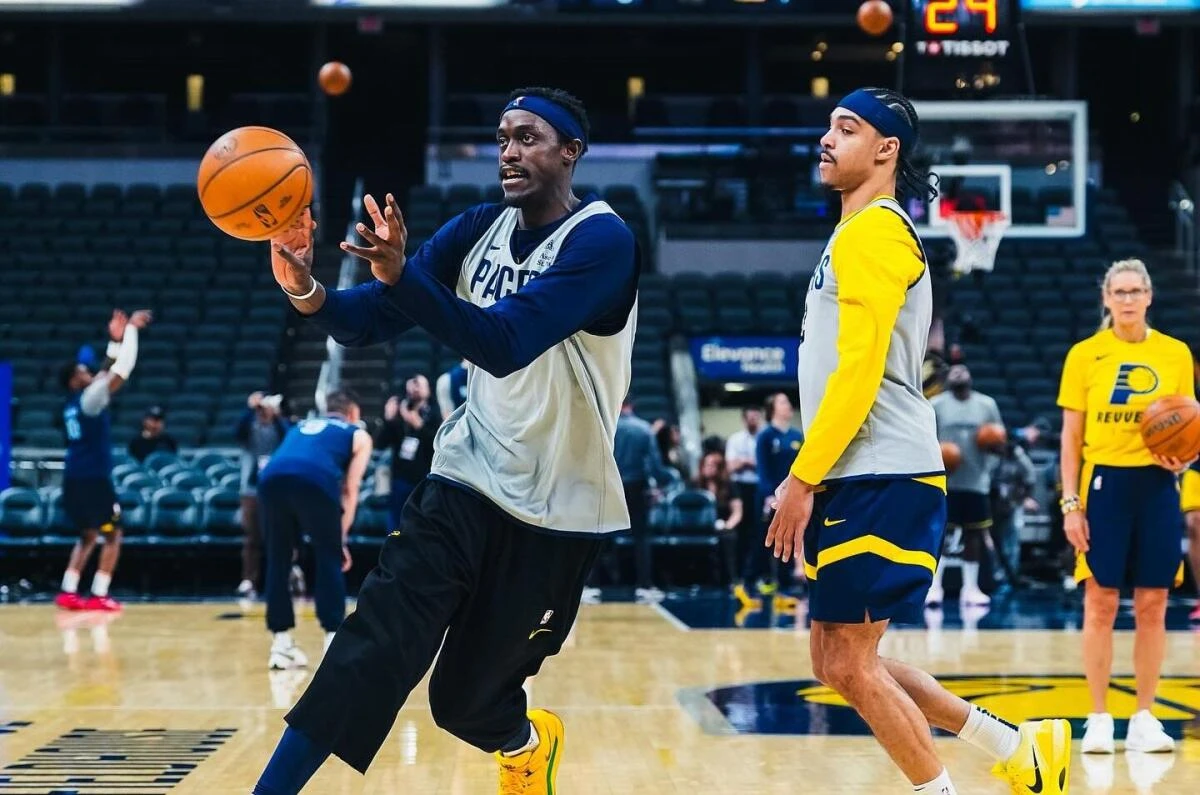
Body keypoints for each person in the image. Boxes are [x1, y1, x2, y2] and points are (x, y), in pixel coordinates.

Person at [258, 86, 638, 794]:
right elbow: (366, 318)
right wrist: (306, 286)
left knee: (464, 704)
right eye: (502, 139)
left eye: (528, 138)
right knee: (368, 649)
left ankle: (528, 746)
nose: (509, 152)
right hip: (465, 478)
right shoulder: (476, 229)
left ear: (570, 151)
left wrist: (403, 275)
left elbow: (504, 342)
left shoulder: (602, 241)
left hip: (558, 506)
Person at [765, 87, 1069, 795]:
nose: (826, 139)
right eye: (829, 127)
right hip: (863, 470)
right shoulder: (857, 231)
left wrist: (802, 477)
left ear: (886, 149)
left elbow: (859, 370)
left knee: (849, 661)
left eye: (846, 128)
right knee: (836, 659)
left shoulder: (874, 232)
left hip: (880, 470)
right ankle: (1019, 747)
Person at [1057, 258, 1192, 754]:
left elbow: (1188, 422)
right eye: (1120, 292)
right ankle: (1098, 718)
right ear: (1106, 299)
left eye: (1136, 291)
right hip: (1104, 485)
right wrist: (1070, 504)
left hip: (1157, 485)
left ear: (1149, 296)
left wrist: (1184, 456)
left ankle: (1144, 717)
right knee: (1101, 602)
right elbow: (1070, 437)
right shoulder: (1084, 355)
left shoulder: (1175, 353)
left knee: (1153, 603)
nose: (1129, 299)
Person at [257, 389, 373, 670]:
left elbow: (289, 464)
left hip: (270, 479)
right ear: (353, 413)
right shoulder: (358, 434)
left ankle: (281, 645)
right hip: (316, 480)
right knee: (329, 557)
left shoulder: (300, 426)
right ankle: (334, 643)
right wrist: (340, 539)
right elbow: (350, 488)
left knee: (278, 560)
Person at [55, 308, 151, 612]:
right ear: (75, 380)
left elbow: (103, 371)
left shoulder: (72, 403)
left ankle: (68, 590)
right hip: (94, 479)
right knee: (113, 534)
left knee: (87, 535)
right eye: (82, 371)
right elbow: (122, 369)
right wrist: (131, 331)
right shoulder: (91, 397)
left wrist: (114, 340)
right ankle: (99, 593)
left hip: (74, 477)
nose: (89, 371)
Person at [928, 364, 1005, 606]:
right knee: (942, 534)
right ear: (947, 379)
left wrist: (992, 445)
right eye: (953, 371)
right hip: (945, 481)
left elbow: (1000, 441)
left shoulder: (987, 405)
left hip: (976, 480)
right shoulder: (936, 405)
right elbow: (925, 439)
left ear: (971, 377)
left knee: (974, 534)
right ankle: (935, 588)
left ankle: (970, 589)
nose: (958, 373)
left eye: (962, 370)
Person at [735, 392, 801, 609]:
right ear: (772, 408)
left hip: (791, 498)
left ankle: (784, 589)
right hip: (769, 499)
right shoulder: (765, 436)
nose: (788, 405)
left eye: (788, 402)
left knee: (788, 542)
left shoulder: (796, 436)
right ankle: (746, 584)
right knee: (763, 542)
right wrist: (769, 495)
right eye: (782, 401)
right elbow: (763, 470)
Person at [613, 397, 670, 600]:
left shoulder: (606, 426)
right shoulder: (644, 429)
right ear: (631, 405)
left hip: (610, 484)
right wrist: (663, 482)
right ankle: (644, 586)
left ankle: (590, 586)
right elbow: (654, 464)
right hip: (636, 485)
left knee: (599, 535)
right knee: (641, 537)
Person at [235, 392, 290, 599]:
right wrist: (250, 409)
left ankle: (284, 577)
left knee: (281, 535)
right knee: (251, 537)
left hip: (277, 488)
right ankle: (249, 580)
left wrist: (276, 415)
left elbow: (289, 436)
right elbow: (237, 432)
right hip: (251, 489)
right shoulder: (250, 426)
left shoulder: (279, 426)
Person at [373, 375, 439, 530]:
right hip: (401, 477)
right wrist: (388, 419)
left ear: (428, 390)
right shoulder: (399, 415)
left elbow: (437, 444)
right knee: (396, 522)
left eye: (419, 384)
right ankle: (394, 542)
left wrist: (418, 425)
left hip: (425, 477)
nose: (415, 388)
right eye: (412, 384)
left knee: (421, 521)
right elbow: (380, 444)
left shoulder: (434, 414)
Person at [724, 406, 762, 596]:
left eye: (756, 417)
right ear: (744, 419)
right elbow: (730, 466)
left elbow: (764, 465)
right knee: (741, 534)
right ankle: (738, 576)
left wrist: (744, 462)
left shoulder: (764, 438)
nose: (753, 420)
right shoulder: (735, 439)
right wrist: (749, 463)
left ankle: (757, 577)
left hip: (759, 487)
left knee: (759, 533)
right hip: (740, 488)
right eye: (750, 417)